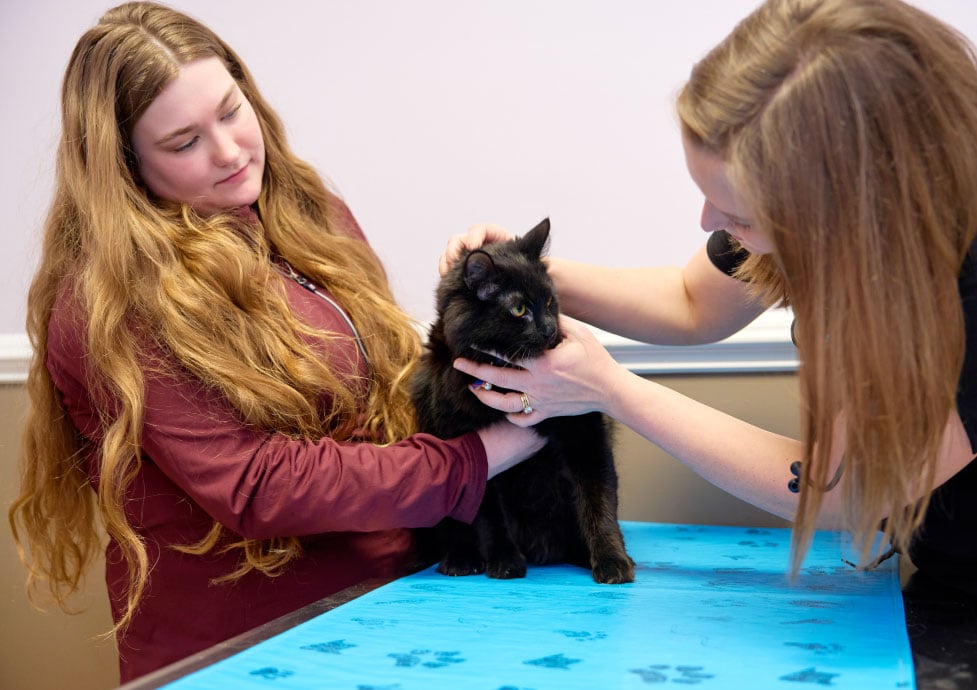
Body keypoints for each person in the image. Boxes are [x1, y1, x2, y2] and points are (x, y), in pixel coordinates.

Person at [7, 2, 543, 682]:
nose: (230, 152)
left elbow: (387, 384)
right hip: (240, 654)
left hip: (393, 608)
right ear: (124, 166)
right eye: (183, 143)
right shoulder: (108, 305)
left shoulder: (307, 212)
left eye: (231, 112)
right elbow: (258, 485)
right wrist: (479, 455)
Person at [443, 0, 977, 597]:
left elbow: (839, 489)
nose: (707, 223)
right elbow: (691, 299)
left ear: (847, 206)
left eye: (734, 212)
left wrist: (610, 390)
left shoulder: (962, 286)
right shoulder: (826, 226)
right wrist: (520, 277)